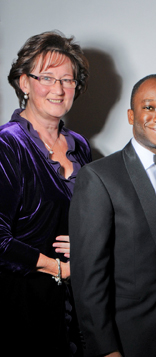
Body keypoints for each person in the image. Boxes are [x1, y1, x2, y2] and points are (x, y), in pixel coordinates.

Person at [70, 74, 156, 357]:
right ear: (132, 115)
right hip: (127, 340)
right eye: (149, 107)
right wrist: (105, 349)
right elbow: (89, 277)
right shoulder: (99, 177)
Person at [0, 31, 91, 356]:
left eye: (68, 79)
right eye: (47, 78)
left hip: (73, 303)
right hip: (20, 303)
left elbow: (88, 219)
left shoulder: (79, 145)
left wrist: (87, 246)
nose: (58, 89)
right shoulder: (7, 144)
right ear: (24, 82)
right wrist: (60, 269)